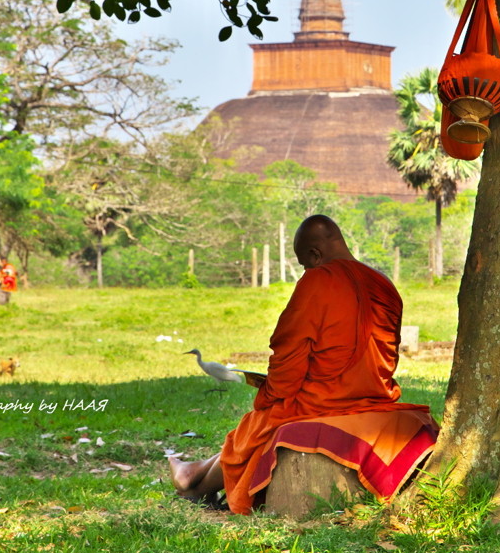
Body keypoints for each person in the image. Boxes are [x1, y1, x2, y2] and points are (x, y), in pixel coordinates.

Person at [170, 214, 438, 515]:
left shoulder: (319, 278)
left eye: (304, 263)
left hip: (325, 401)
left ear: (315, 254)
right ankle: (192, 474)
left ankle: (193, 480)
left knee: (259, 421)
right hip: (376, 394)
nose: (305, 270)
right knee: (262, 421)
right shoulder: (384, 284)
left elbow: (288, 354)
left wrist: (268, 393)